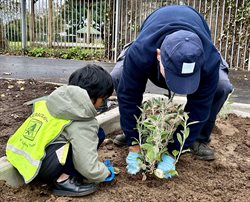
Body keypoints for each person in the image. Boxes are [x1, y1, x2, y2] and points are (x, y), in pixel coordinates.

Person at [110, 5, 233, 177]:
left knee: (222, 87)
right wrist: (134, 144)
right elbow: (129, 95)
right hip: (151, 36)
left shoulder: (208, 59)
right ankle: (134, 132)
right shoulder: (142, 52)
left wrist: (172, 152)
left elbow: (199, 108)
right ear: (159, 56)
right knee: (118, 76)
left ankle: (199, 139)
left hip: (198, 43)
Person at [6, 64, 115, 196]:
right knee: (98, 134)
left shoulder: (52, 101)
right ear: (91, 98)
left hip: (20, 157)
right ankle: (63, 180)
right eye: (103, 99)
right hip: (42, 168)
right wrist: (105, 172)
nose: (104, 103)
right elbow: (87, 167)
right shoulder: (81, 121)